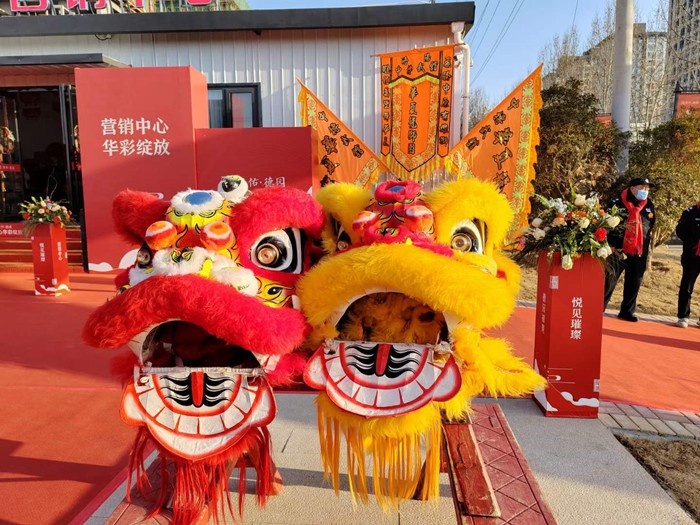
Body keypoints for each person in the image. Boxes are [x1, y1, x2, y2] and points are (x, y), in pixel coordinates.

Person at [604, 177, 657, 322]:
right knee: (609, 280)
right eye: (642, 188)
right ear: (632, 188)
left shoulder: (649, 205)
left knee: (634, 281)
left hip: (638, 250)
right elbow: (606, 224)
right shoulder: (616, 203)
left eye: (647, 189)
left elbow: (650, 224)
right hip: (618, 249)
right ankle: (598, 308)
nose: (645, 191)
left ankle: (627, 311)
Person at [675, 200, 700, 328]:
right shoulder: (691, 212)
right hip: (692, 255)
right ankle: (683, 316)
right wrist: (693, 242)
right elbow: (680, 231)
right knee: (687, 286)